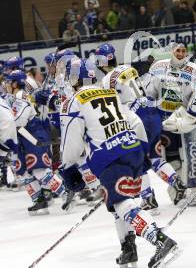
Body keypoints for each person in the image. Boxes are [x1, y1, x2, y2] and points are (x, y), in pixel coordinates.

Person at [59, 58, 180, 268]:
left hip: (109, 156)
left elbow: (72, 144)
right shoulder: (109, 93)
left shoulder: (73, 101)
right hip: (131, 147)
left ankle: (160, 240)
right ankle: (128, 248)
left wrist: (68, 168)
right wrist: (141, 150)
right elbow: (135, 121)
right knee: (121, 203)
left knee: (120, 203)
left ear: (72, 78)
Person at [95, 43, 188, 211]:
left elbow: (112, 106)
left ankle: (148, 199)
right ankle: (177, 183)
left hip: (137, 120)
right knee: (155, 157)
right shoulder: (128, 68)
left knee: (137, 161)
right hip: (151, 112)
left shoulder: (107, 80)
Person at [144, 43, 196, 206]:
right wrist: (152, 115)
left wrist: (191, 116)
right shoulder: (158, 67)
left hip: (190, 118)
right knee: (171, 157)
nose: (181, 53)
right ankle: (179, 191)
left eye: (184, 51)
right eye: (178, 51)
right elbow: (149, 94)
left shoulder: (195, 69)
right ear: (171, 52)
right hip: (166, 121)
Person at [5, 70, 74, 214]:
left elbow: (19, 120)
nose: (6, 84)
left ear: (15, 83)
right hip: (22, 137)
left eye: (9, 81)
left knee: (40, 170)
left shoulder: (20, 96)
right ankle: (39, 200)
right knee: (23, 172)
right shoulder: (14, 96)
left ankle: (65, 192)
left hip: (32, 134)